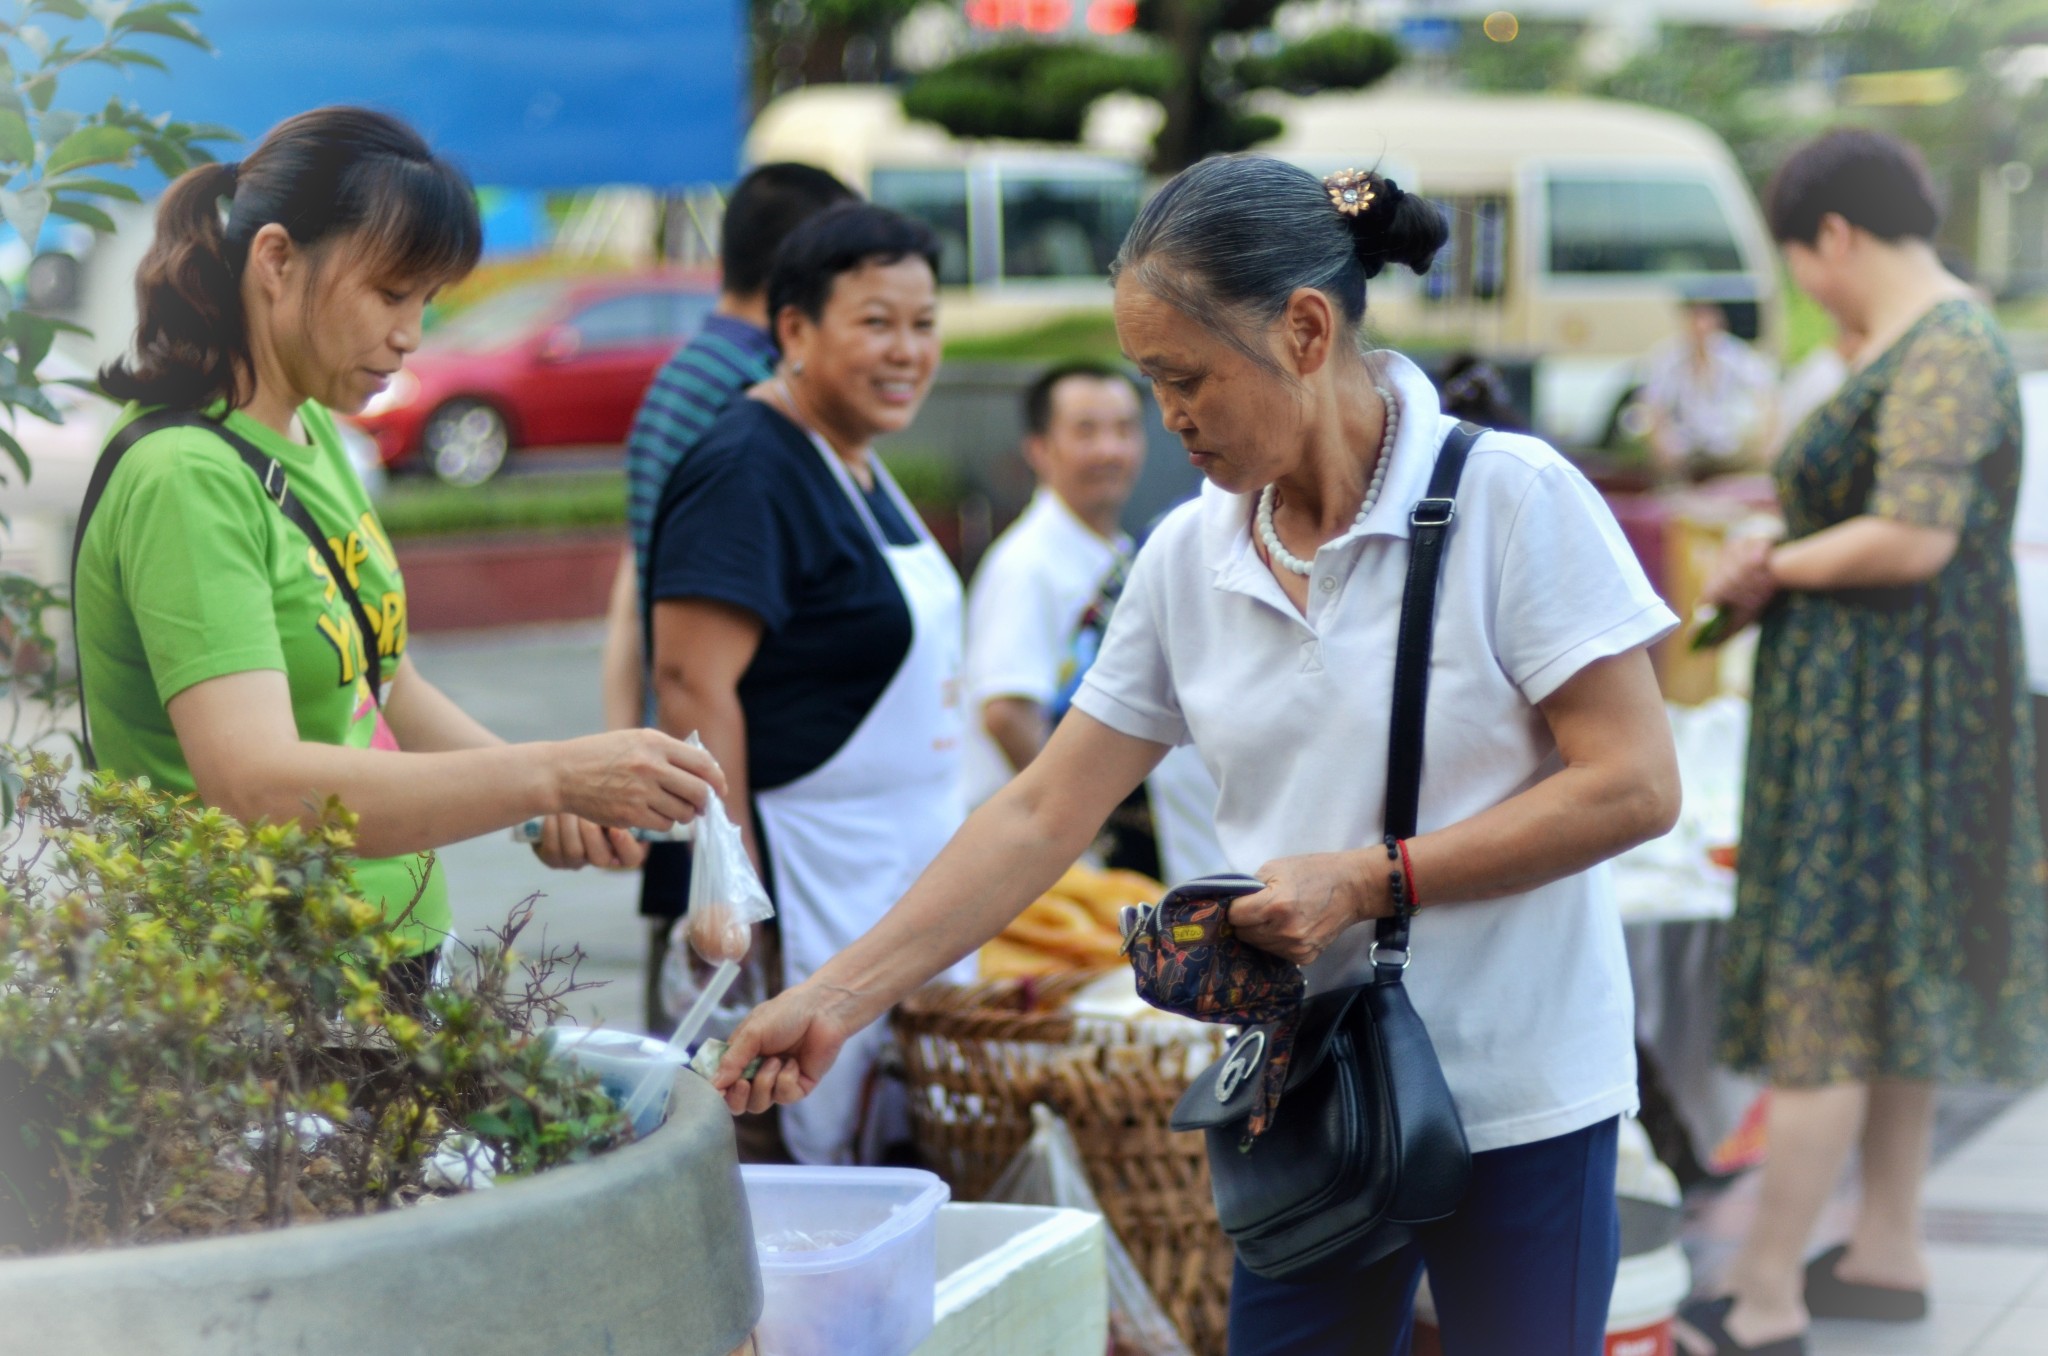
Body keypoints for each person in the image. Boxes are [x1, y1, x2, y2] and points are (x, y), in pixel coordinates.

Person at [713, 154, 1683, 1355]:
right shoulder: (1185, 557)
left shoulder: (1509, 502)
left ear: (1306, 329)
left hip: (1524, 1097)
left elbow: (1633, 784)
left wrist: (1366, 881)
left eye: (1185, 378)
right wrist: (833, 1000)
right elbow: (1039, 814)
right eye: (1146, 380)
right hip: (1302, 1099)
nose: (1165, 418)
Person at [73, 108, 724, 989]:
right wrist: (548, 775)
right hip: (260, 993)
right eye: (390, 294)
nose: (412, 334)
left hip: (381, 955)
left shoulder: (307, 432)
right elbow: (259, 786)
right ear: (275, 260)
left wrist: (550, 800)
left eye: (427, 301)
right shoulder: (186, 474)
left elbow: (386, 684)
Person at [1684, 129, 2048, 1356]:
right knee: (1896, 987)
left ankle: (1767, 1288)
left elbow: (1910, 534)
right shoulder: (1926, 339)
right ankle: (1882, 1252)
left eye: (1801, 265)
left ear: (1830, 236)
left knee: (1826, 994)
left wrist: (1767, 565)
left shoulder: (1942, 342)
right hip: (1898, 715)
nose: (1807, 293)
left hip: (1882, 725)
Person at [646, 203, 969, 1165]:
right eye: (876, 323)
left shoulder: (857, 462)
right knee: (791, 1158)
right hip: (798, 881)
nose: (907, 351)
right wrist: (727, 891)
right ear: (795, 330)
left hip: (887, 875)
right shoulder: (748, 465)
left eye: (923, 324)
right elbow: (691, 682)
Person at [594, 161, 854, 1032]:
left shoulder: (683, 375)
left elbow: (638, 579)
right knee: (726, 1061)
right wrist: (728, 860)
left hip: (686, 773)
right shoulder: (753, 403)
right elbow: (694, 652)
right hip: (722, 785)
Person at [961, 361, 1144, 808]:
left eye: (1124, 430)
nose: (1109, 450)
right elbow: (1006, 713)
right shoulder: (1027, 563)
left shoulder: (1116, 550)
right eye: (1086, 432)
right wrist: (1083, 821)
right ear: (1039, 449)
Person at [1639, 298, 1778, 481]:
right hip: (1687, 445)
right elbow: (1653, 404)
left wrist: (1767, 440)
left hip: (1728, 442)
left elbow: (1766, 392)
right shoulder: (1668, 358)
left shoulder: (1734, 355)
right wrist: (1659, 442)